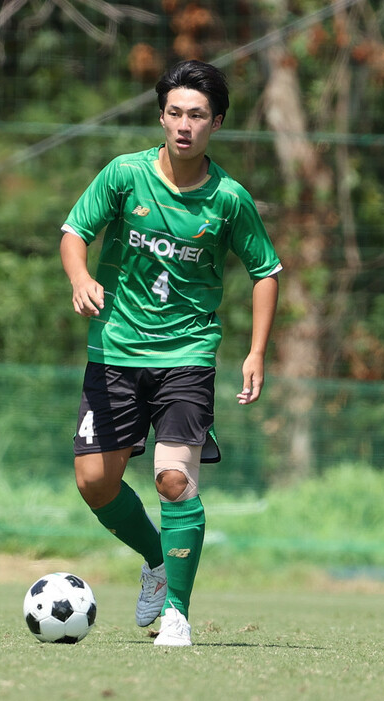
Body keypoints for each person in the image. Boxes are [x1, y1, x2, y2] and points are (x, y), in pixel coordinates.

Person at [59, 60, 281, 646]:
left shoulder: (229, 199)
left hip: (187, 354)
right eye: (176, 113)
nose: (185, 125)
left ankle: (177, 612)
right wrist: (80, 277)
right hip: (115, 351)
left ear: (217, 123)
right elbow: (73, 233)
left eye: (198, 115)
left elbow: (266, 272)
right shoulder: (123, 176)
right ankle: (160, 560)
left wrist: (256, 352)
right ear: (162, 117)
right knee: (94, 483)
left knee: (173, 480)